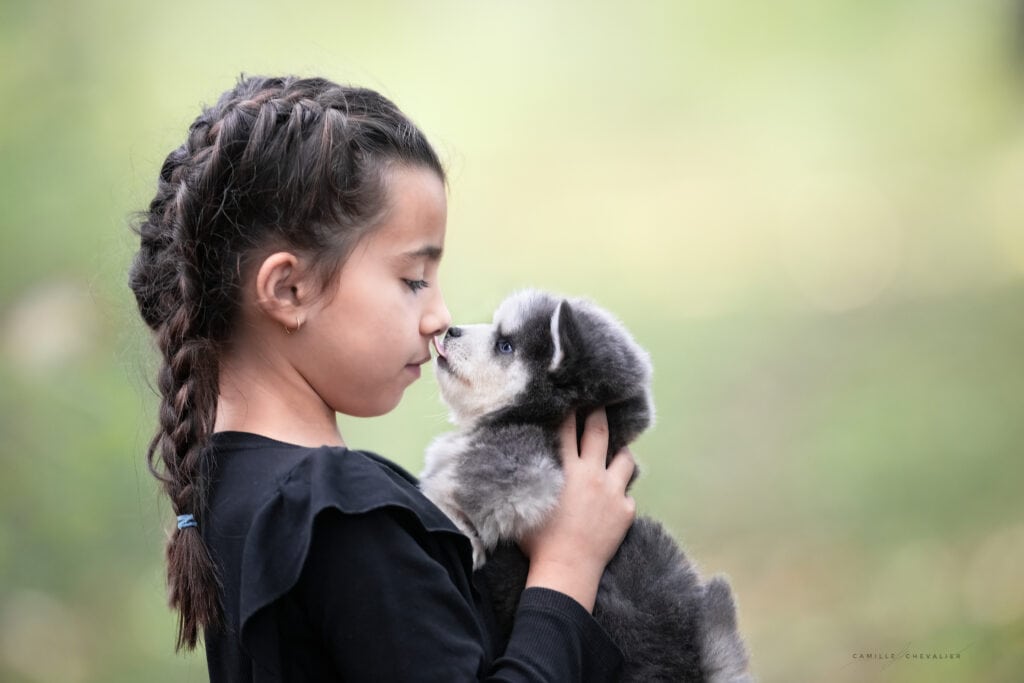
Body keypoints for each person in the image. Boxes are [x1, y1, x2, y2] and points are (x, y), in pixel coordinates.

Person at [128, 74, 637, 682]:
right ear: (289, 290)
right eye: (413, 279)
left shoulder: (230, 485)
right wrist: (566, 570)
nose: (441, 317)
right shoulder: (344, 516)